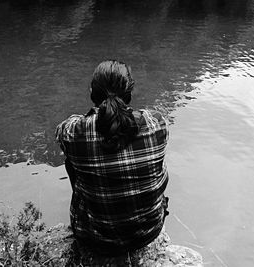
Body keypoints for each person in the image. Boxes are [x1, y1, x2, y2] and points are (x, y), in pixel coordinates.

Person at [55, 60, 169, 256]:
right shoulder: (157, 123)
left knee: (71, 160)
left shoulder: (75, 131)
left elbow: (61, 131)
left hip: (95, 237)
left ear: (92, 92)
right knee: (155, 160)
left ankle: (94, 212)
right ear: (130, 93)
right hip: (148, 232)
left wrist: (95, 118)